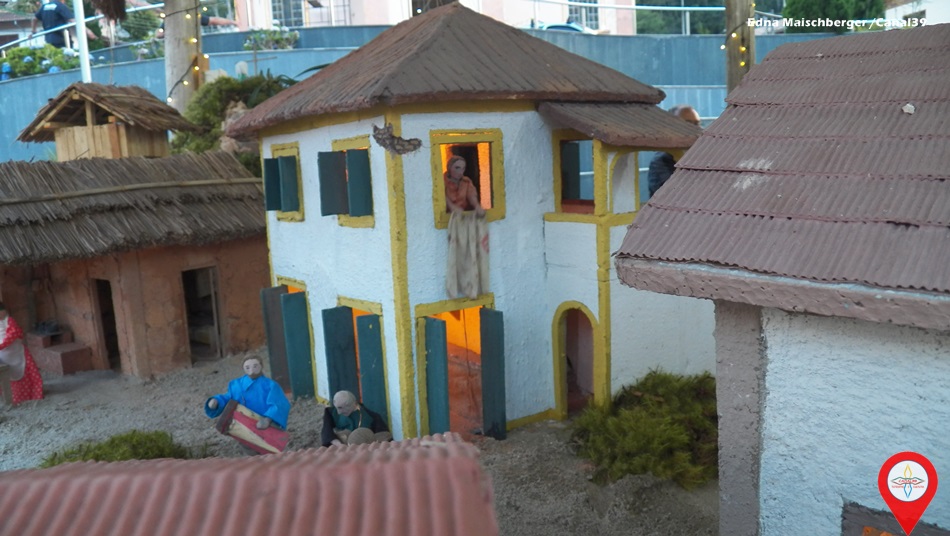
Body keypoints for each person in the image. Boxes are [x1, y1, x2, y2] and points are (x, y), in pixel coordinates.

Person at [205, 355, 290, 432]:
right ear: (243, 368)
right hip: (243, 423)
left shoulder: (271, 385)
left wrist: (268, 419)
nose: (251, 370)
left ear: (261, 366)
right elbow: (229, 398)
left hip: (264, 423)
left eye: (255, 366)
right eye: (247, 367)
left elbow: (279, 403)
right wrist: (217, 401)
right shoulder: (237, 384)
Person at [647, 104, 701, 197]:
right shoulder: (662, 161)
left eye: (696, 124)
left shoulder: (700, 155)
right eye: (687, 124)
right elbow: (672, 195)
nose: (695, 129)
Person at [0, 303, 44, 404]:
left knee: (24, 372)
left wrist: (2, 345)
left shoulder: (9, 320)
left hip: (16, 352)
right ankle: (9, 397)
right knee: (6, 376)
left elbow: (13, 333)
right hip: (3, 355)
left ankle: (30, 395)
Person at [321, 390, 391, 447]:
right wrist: (339, 444)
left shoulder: (372, 418)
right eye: (337, 408)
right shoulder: (331, 413)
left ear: (353, 404)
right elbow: (326, 432)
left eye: (341, 408)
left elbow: (384, 437)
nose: (338, 412)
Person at [31, 0, 96, 48]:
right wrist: (88, 32)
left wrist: (33, 31)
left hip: (49, 39)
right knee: (67, 56)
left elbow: (34, 19)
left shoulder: (44, 6)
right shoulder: (60, 6)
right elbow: (72, 21)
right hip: (62, 39)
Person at [155, 14, 238, 39]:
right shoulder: (170, 19)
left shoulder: (193, 16)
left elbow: (213, 20)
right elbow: (159, 34)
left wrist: (232, 22)